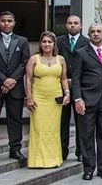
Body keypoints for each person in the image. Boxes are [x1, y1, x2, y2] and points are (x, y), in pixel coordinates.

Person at [72, 23, 102, 181]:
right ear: (89, 34)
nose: (96, 34)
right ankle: (89, 169)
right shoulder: (81, 53)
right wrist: (78, 99)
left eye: (99, 31)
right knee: (87, 136)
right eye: (93, 32)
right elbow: (76, 79)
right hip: (87, 101)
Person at [25, 32, 70, 168]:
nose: (46, 44)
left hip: (55, 99)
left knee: (53, 130)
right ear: (40, 43)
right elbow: (27, 79)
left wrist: (67, 93)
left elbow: (63, 79)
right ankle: (37, 161)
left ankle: (53, 159)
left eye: (49, 42)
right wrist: (29, 97)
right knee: (38, 129)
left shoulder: (61, 59)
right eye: (44, 42)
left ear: (54, 44)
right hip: (38, 98)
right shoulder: (34, 59)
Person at [0, 11, 31, 163]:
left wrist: (12, 80)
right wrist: (4, 80)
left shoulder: (22, 41)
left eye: (9, 21)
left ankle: (15, 149)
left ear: (14, 23)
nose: (6, 23)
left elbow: (25, 62)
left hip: (16, 87)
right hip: (0, 84)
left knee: (15, 119)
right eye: (3, 21)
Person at [57, 15, 89, 162]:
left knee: (80, 122)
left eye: (76, 23)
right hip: (60, 86)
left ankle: (80, 152)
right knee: (62, 122)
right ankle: (62, 151)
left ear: (81, 26)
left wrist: (75, 80)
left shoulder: (87, 43)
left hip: (80, 87)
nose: (72, 25)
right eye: (70, 23)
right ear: (66, 25)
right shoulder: (58, 41)